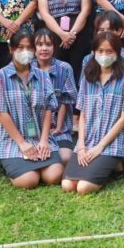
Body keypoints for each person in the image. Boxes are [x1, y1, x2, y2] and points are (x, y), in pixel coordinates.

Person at [62, 32, 124, 195]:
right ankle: (109, 166)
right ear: (94, 52)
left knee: (83, 188)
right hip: (88, 141)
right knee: (68, 185)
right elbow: (82, 115)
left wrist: (100, 147)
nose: (104, 55)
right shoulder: (87, 79)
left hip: (111, 144)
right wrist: (81, 145)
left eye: (109, 51)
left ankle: (117, 165)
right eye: (100, 51)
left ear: (117, 53)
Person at [0, 31, 64, 189]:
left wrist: (44, 140)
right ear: (11, 49)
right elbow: (1, 113)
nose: (26, 52)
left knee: (54, 176)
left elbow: (48, 109)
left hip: (39, 137)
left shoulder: (42, 76)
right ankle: (11, 164)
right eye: (20, 47)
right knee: (28, 181)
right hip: (13, 141)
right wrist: (22, 144)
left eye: (30, 48)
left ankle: (36, 160)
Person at [34, 28, 76, 164]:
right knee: (36, 155)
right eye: (39, 44)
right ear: (33, 48)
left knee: (65, 158)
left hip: (59, 129)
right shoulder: (28, 69)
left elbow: (66, 100)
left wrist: (58, 127)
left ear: (54, 46)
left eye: (48, 44)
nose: (44, 48)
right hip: (34, 128)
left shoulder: (64, 68)